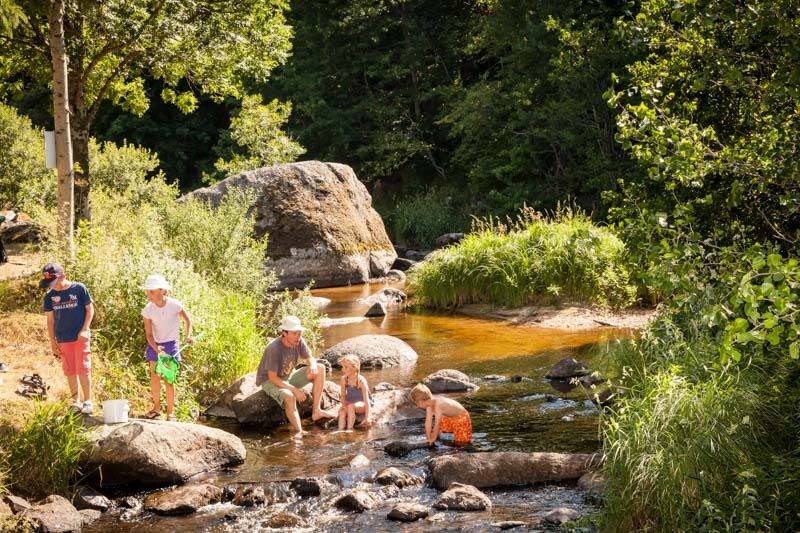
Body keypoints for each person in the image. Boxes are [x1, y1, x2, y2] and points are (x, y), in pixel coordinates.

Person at [255, 315, 337, 434]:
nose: (298, 336)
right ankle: (299, 432)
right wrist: (295, 390)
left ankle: (316, 411)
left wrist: (313, 365)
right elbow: (272, 378)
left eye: (299, 333)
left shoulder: (299, 341)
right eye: (294, 333)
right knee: (290, 395)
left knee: (320, 368)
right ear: (284, 333)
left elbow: (309, 358)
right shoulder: (273, 348)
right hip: (270, 381)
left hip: (288, 377)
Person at [40, 263, 94, 414]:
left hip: (80, 337)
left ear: (63, 276)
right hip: (63, 338)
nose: (52, 286)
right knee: (70, 370)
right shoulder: (49, 296)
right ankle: (75, 401)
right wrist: (53, 341)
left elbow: (90, 309)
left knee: (83, 368)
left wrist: (85, 329)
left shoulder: (78, 288)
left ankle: (88, 400)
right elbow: (50, 320)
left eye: (54, 282)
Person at [141, 274, 194, 421]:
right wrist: (157, 349)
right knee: (154, 375)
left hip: (171, 344)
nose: (148, 294)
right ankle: (157, 408)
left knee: (169, 379)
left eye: (151, 291)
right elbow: (149, 334)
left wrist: (188, 336)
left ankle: (170, 413)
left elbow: (188, 320)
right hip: (154, 344)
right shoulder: (148, 310)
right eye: (147, 291)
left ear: (162, 291)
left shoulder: (174, 305)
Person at [337, 354, 371, 430]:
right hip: (350, 402)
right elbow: (343, 395)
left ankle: (350, 428)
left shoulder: (361, 381)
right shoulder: (344, 379)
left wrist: (367, 417)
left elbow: (366, 400)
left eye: (346, 367)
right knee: (342, 411)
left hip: (362, 404)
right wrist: (343, 405)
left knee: (351, 406)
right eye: (343, 367)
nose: (343, 369)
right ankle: (340, 429)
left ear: (355, 368)